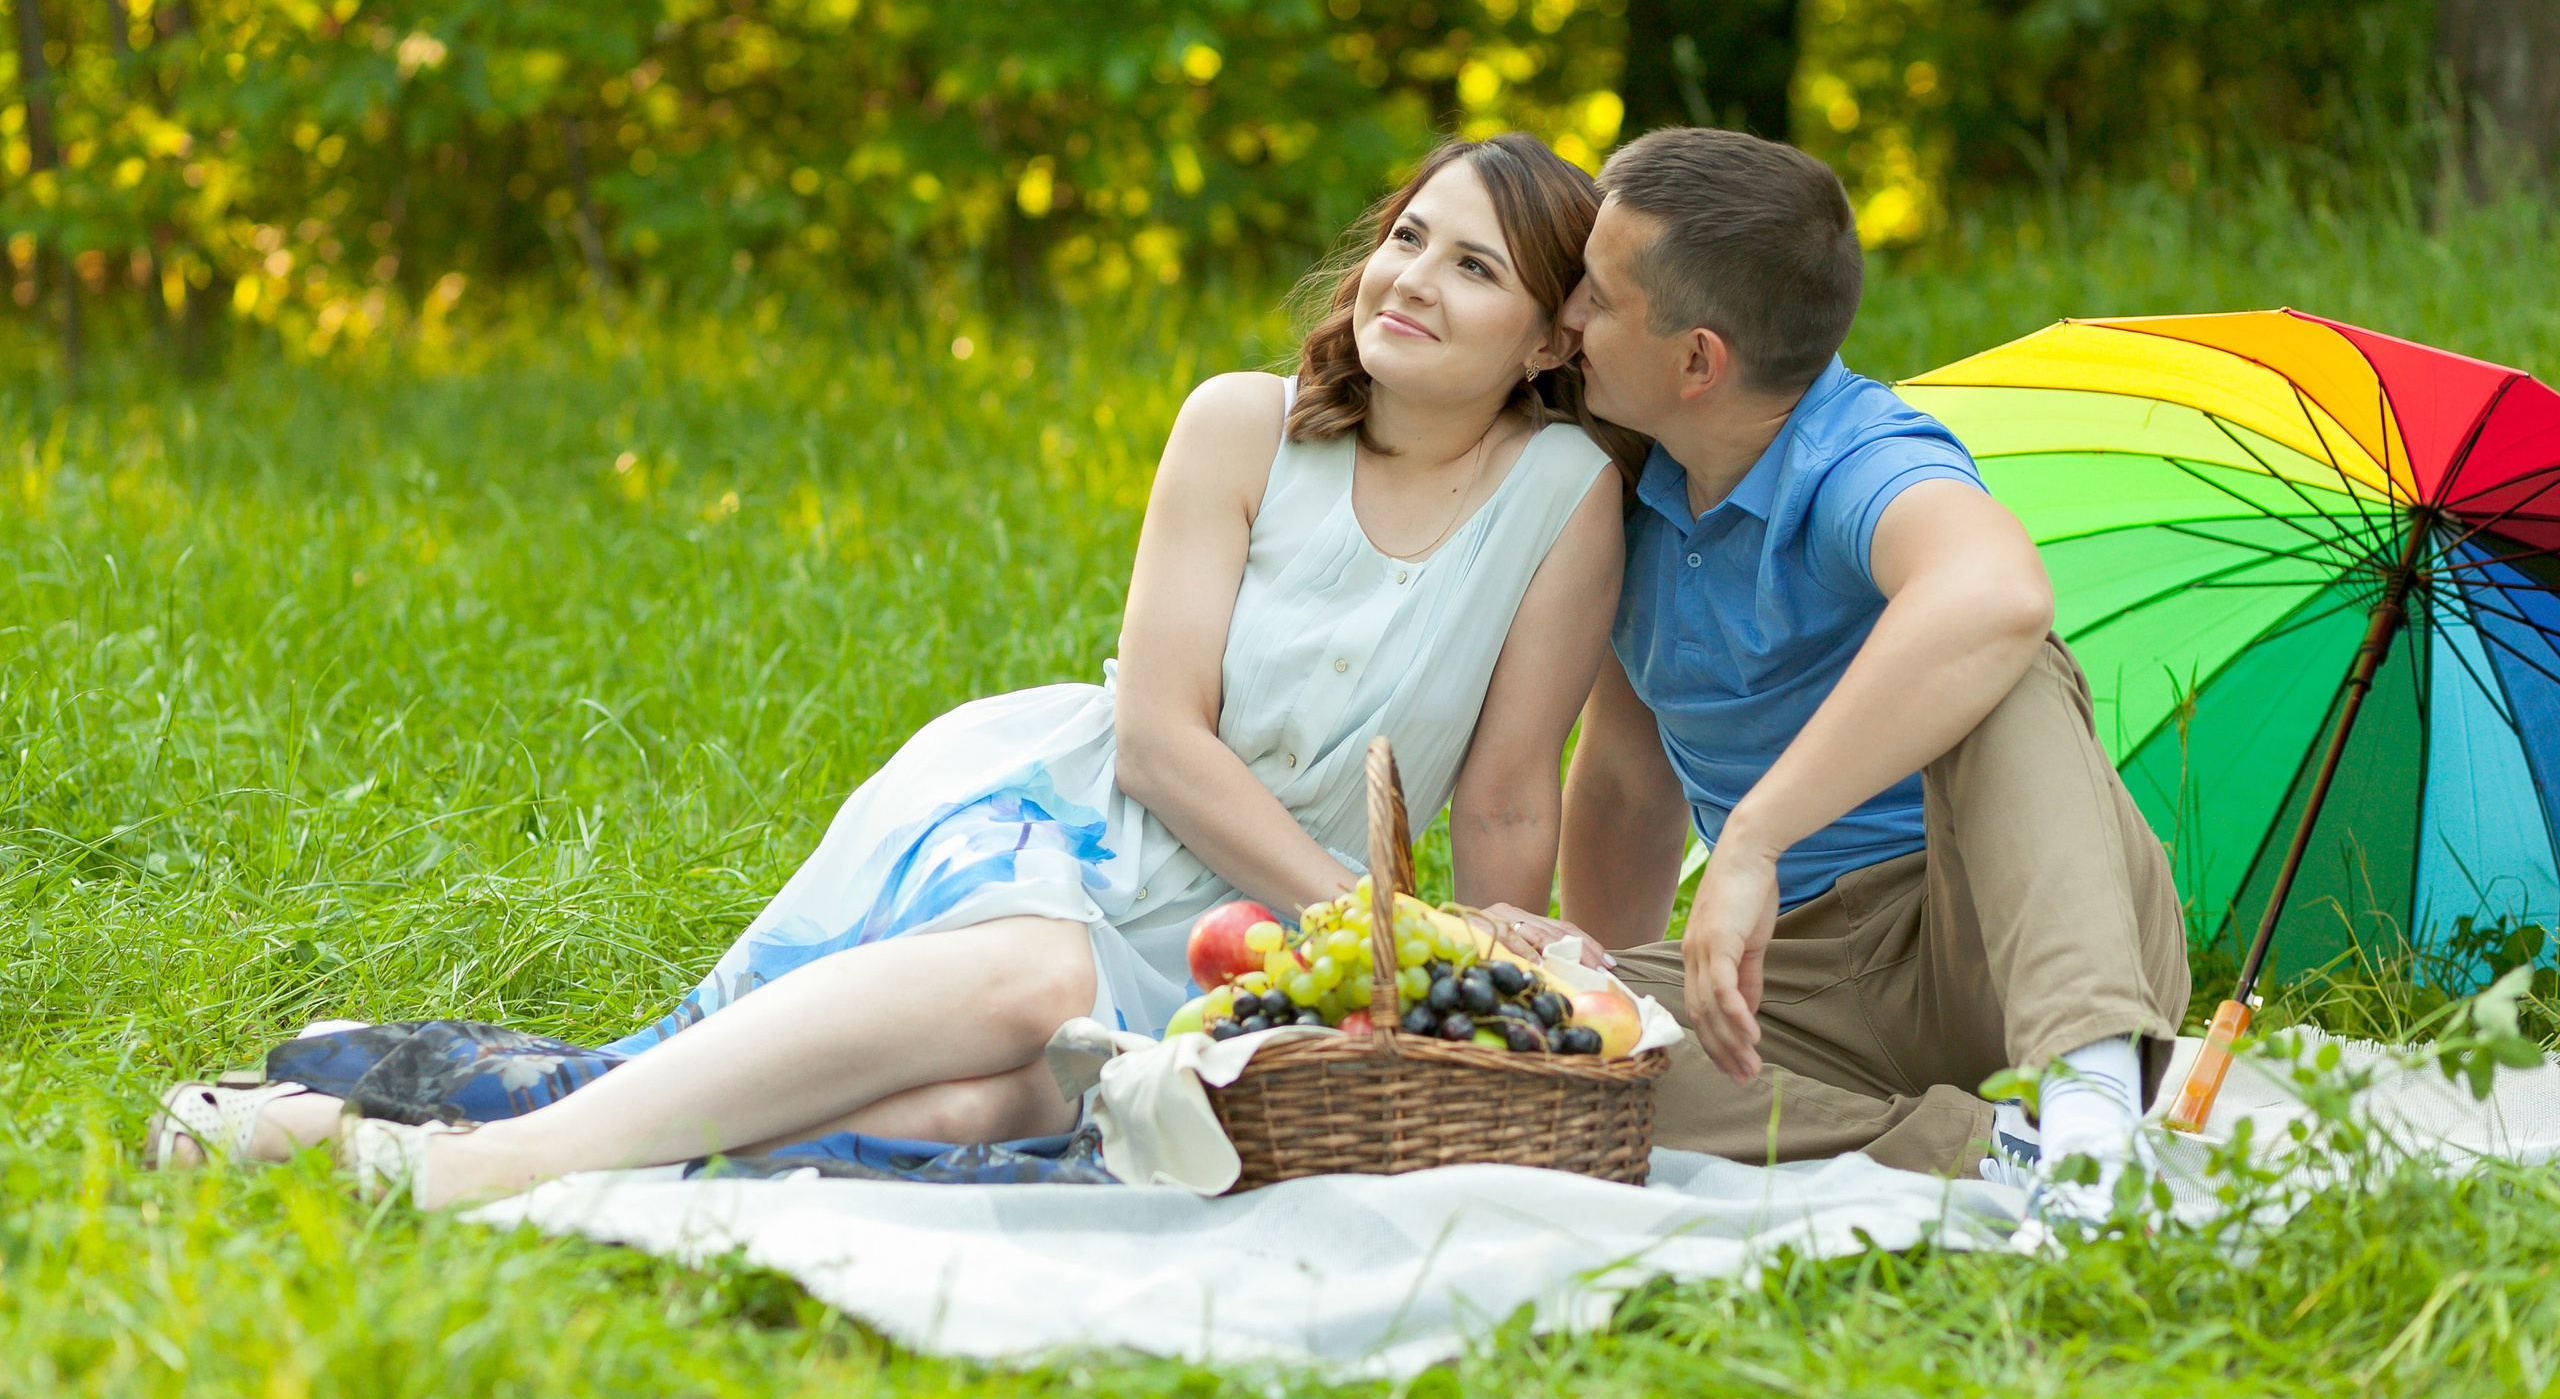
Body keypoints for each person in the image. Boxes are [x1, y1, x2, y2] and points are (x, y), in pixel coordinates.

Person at [147, 132, 1627, 1209]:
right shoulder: (1243, 424)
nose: (1412, 277)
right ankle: (474, 1167)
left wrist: (1505, 984)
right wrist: (1372, 917)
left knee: (976, 1099)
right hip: (1082, 835)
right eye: (1410, 234)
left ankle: (370, 1123)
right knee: (1038, 978)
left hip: (1264, 942)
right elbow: (1161, 746)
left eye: (1476, 264)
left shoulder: (1563, 491)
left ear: (1553, 335)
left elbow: (1504, 795)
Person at [1498, 127, 2188, 1208]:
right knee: (1515, 1037)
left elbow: (1996, 595)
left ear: (1696, 360)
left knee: (2004, 664)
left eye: (1594, 294)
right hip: (1798, 985)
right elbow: (1630, 777)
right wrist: (1604, 986)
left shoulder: (1858, 456)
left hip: (1993, 936)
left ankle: (2091, 1114)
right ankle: (1987, 1150)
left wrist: (1753, 843)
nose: (1566, 317)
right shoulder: (1633, 484)